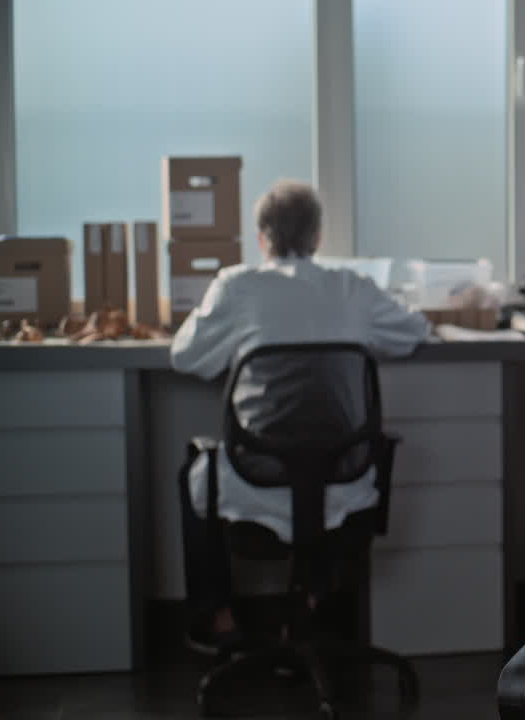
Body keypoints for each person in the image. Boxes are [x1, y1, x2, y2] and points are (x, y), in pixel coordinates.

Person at [171, 179, 429, 655]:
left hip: (257, 478)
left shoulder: (238, 285)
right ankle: (307, 603)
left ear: (261, 238)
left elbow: (186, 357)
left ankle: (217, 617)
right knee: (318, 455)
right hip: (344, 477)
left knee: (195, 468)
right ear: (317, 237)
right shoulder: (351, 286)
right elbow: (415, 330)